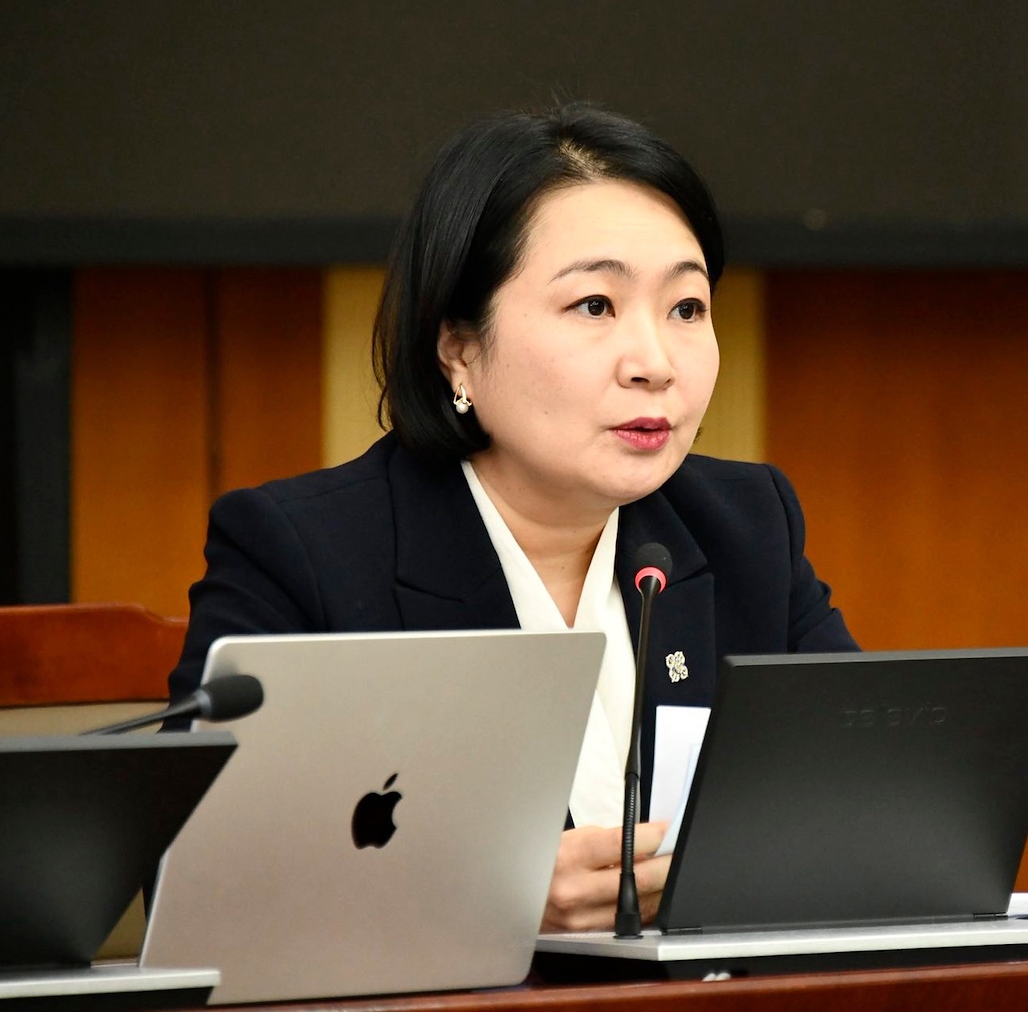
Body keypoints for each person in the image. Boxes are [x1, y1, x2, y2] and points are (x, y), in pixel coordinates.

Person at [168, 103, 857, 932]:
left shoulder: (746, 527)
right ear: (458, 347)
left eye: (686, 308)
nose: (654, 363)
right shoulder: (304, 551)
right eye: (594, 305)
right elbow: (203, 890)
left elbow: (866, 807)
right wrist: (491, 898)